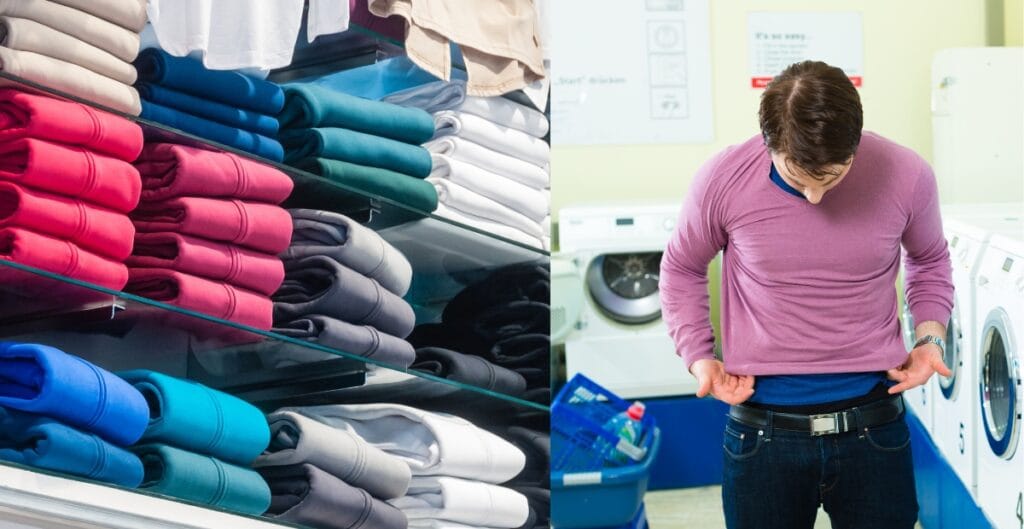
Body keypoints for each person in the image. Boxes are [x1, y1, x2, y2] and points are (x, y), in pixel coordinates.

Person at [659, 60, 954, 529]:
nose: (816, 198)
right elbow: (682, 266)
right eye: (798, 178)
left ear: (855, 144)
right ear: (769, 143)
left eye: (833, 176)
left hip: (874, 428)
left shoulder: (907, 174)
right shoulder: (722, 178)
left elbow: (931, 258)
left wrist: (930, 338)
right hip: (762, 436)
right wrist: (699, 355)